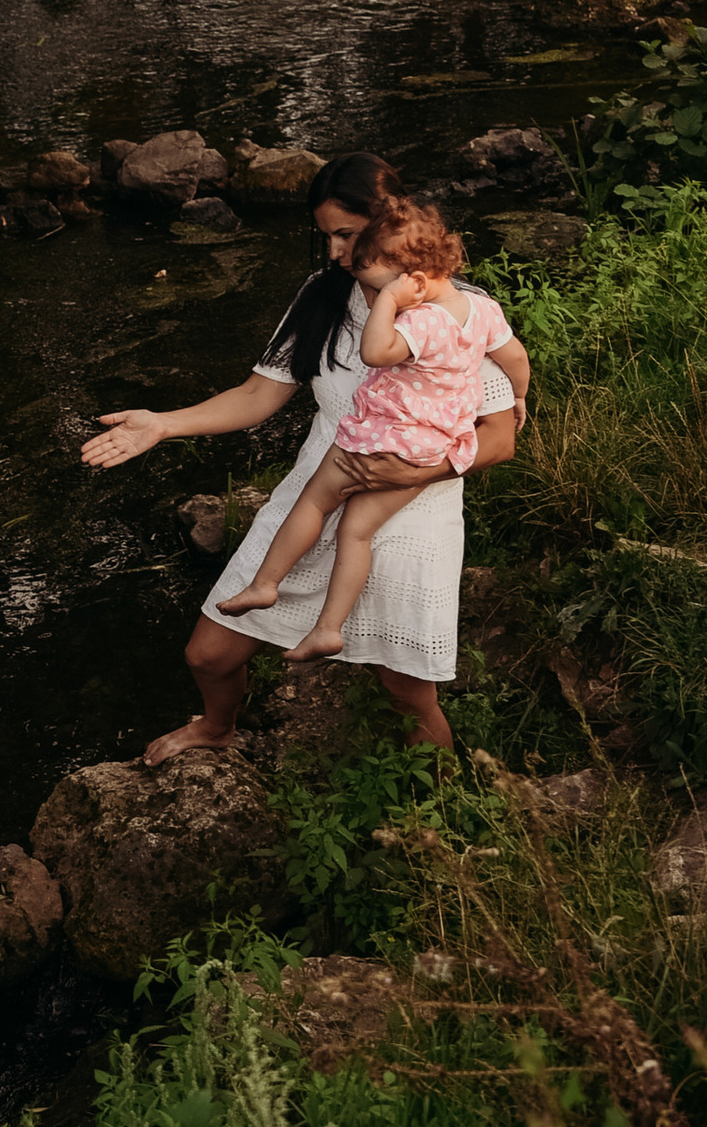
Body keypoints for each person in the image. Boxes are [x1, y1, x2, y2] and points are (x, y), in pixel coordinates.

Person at [78, 150, 523, 759]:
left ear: (391, 224)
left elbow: (500, 436)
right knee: (208, 653)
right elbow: (261, 393)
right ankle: (217, 728)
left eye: (347, 234)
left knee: (406, 693)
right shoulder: (323, 295)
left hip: (409, 509)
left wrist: (422, 468)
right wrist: (162, 424)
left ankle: (440, 814)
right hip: (314, 498)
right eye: (328, 238)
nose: (337, 253)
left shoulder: (454, 311)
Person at [219, 197, 526, 658]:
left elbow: (376, 354)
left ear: (413, 281)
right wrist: (520, 395)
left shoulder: (420, 320)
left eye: (376, 286)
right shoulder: (482, 312)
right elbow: (515, 358)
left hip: (378, 437)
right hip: (427, 448)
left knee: (315, 501)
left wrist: (389, 305)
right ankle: (329, 628)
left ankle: (265, 584)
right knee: (356, 532)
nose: (370, 292)